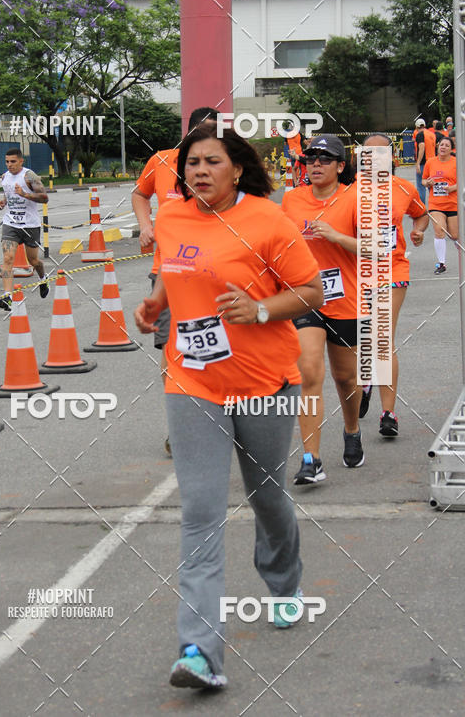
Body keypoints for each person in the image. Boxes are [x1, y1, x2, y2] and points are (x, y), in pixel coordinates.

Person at [134, 124, 323, 690]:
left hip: (264, 380)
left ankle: (285, 583)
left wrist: (260, 310)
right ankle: (198, 652)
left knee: (268, 497)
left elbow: (311, 294)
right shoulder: (171, 217)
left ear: (236, 168)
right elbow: (176, 267)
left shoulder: (268, 220)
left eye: (211, 161)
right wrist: (156, 301)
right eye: (191, 162)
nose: (198, 170)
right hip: (193, 382)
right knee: (200, 512)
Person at [132, 107, 218, 455]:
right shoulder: (162, 161)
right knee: (174, 352)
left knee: (212, 351)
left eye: (212, 132)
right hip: (167, 273)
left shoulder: (223, 166)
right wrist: (146, 224)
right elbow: (140, 194)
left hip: (216, 274)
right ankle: (182, 426)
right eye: (200, 130)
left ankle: (219, 415)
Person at [281, 134, 364, 484]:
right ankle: (311, 459)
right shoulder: (291, 200)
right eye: (310, 158)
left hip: (344, 299)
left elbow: (376, 250)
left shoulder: (355, 198)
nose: (315, 164)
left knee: (345, 377)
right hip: (305, 298)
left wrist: (336, 237)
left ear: (340, 167)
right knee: (309, 373)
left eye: (324, 159)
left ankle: (352, 428)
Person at [358, 134, 428, 437]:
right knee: (363, 337)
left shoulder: (404, 188)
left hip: (393, 269)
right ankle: (366, 380)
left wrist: (418, 232)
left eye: (380, 151)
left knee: (382, 336)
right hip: (356, 272)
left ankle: (389, 413)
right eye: (368, 152)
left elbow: (421, 215)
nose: (373, 156)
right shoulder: (349, 191)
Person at [0, 148, 49, 311]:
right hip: (11, 223)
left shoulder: (30, 176)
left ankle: (43, 277)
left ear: (21, 161)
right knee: (7, 259)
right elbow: (9, 195)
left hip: (30, 225)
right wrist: (3, 202)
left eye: (13, 161)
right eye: (7, 161)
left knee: (33, 261)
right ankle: (8, 297)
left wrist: (25, 195)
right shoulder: (4, 177)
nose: (9, 165)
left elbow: (45, 198)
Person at [422, 135, 458, 274]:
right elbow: (424, 180)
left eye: (447, 145)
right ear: (438, 146)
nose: (443, 147)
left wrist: (452, 188)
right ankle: (441, 263)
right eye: (441, 145)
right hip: (436, 204)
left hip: (453, 203)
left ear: (451, 149)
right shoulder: (430, 162)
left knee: (455, 235)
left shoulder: (456, 162)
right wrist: (428, 183)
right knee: (439, 230)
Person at [415, 119, 439, 205]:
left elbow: (422, 147)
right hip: (432, 162)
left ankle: (422, 208)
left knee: (421, 185)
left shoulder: (420, 135)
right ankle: (436, 204)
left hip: (423, 163)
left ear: (417, 127)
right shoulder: (432, 134)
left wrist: (418, 163)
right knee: (431, 185)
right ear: (424, 125)